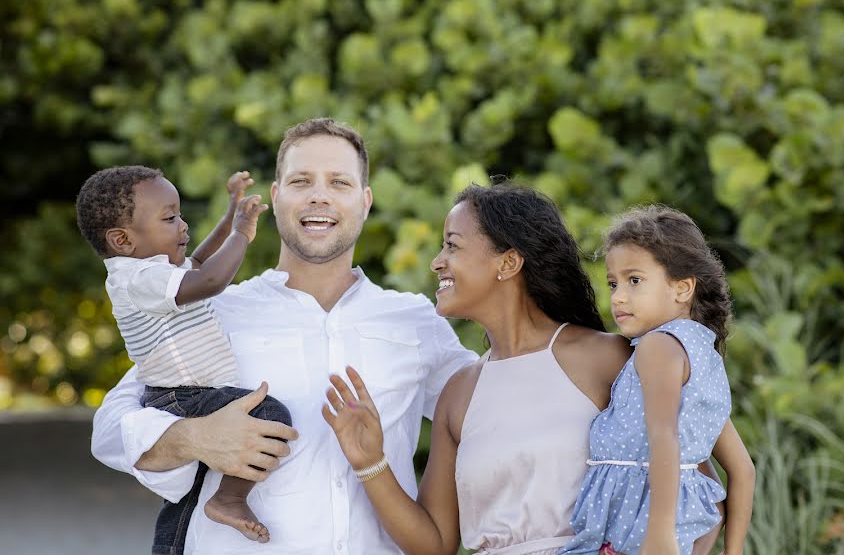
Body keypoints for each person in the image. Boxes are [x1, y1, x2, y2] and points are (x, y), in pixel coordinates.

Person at [90, 118, 478, 554]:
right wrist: (197, 438)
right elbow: (109, 429)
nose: (319, 195)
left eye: (339, 182)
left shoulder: (414, 321)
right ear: (275, 198)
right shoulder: (214, 310)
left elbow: (493, 411)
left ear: (365, 202)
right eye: (301, 180)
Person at [323, 183, 651, 555]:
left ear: (508, 262)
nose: (437, 261)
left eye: (452, 244)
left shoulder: (608, 359)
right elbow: (435, 545)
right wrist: (371, 463)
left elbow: (692, 485)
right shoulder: (459, 392)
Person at [76, 166, 292, 553]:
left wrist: (230, 214)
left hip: (184, 393)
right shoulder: (138, 280)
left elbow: (199, 260)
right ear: (123, 240)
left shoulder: (156, 273)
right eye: (170, 217)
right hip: (183, 395)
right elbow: (211, 279)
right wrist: (242, 231)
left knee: (185, 500)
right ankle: (228, 498)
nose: (183, 225)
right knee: (270, 416)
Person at [556, 205, 756, 555]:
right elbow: (743, 469)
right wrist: (733, 550)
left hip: (636, 534)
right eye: (613, 283)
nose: (618, 296)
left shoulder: (657, 347)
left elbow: (664, 437)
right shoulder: (702, 356)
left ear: (682, 288)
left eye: (635, 281)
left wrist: (659, 535)